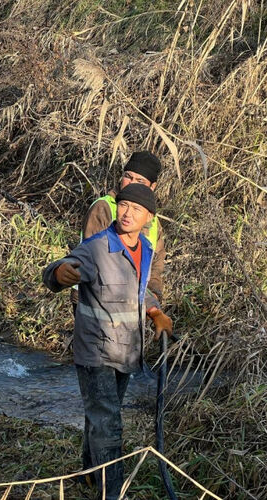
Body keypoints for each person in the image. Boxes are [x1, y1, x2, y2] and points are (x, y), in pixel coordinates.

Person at [43, 183, 173, 499]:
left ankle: (88, 473)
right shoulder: (98, 247)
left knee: (100, 415)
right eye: (123, 206)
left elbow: (140, 292)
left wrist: (155, 312)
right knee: (109, 423)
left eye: (136, 209)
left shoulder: (144, 248)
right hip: (95, 351)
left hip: (126, 349)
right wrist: (62, 273)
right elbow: (53, 273)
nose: (127, 213)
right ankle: (112, 493)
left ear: (149, 218)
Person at [75, 151, 166, 312]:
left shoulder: (152, 220)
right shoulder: (104, 207)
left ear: (153, 187)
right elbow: (98, 261)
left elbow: (155, 264)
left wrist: (154, 297)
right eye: (128, 176)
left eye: (140, 181)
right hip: (95, 298)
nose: (131, 183)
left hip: (132, 303)